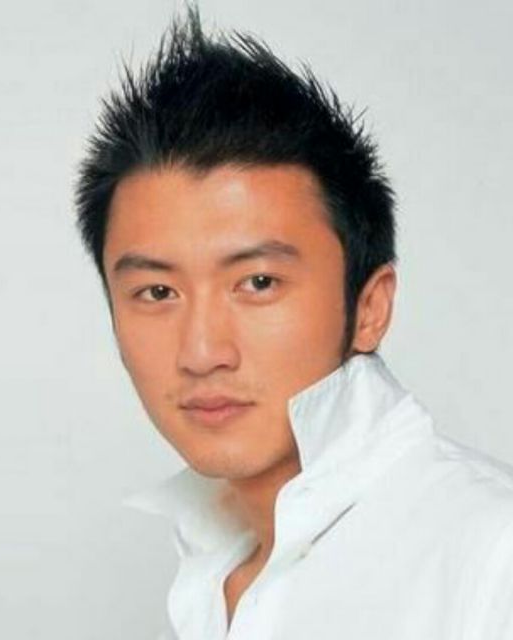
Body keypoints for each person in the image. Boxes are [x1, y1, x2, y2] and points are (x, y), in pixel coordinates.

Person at [74, 4, 513, 638]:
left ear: (370, 307)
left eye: (258, 283)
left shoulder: (490, 556)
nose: (202, 351)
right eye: (158, 291)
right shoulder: (212, 568)